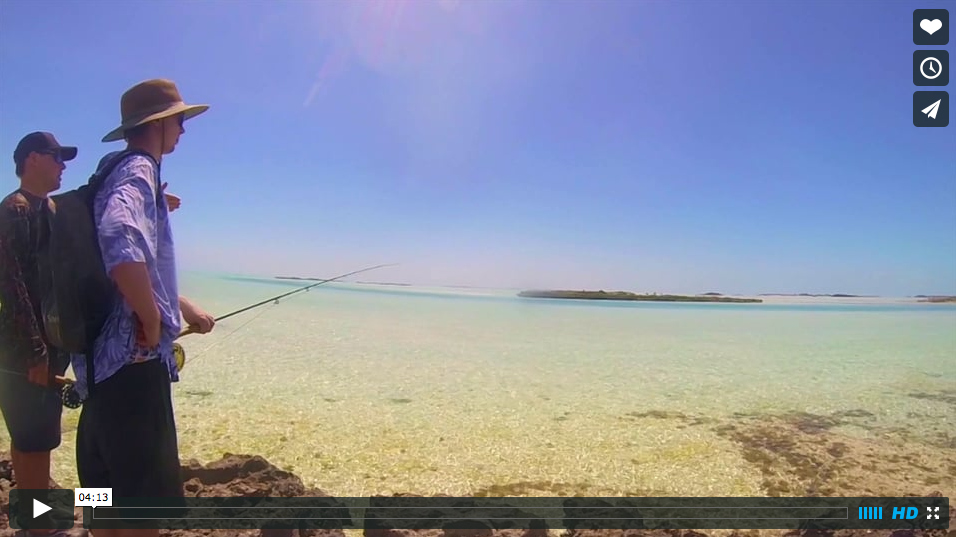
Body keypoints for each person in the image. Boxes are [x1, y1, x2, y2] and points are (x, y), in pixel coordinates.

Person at [71, 78, 216, 536]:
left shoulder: (107, 172)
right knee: (143, 513)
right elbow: (121, 241)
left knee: (100, 499)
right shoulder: (137, 170)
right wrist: (152, 320)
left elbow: (129, 263)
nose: (183, 131)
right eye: (178, 120)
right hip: (134, 371)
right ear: (157, 124)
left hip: (96, 368)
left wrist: (182, 306)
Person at [0, 132, 82, 535]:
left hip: (48, 346)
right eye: (56, 157)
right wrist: (35, 353)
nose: (63, 165)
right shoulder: (15, 210)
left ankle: (34, 517)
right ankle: (38, 526)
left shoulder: (48, 207)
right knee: (33, 440)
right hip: (24, 352)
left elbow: (86, 202)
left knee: (40, 438)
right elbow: (11, 286)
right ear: (33, 159)